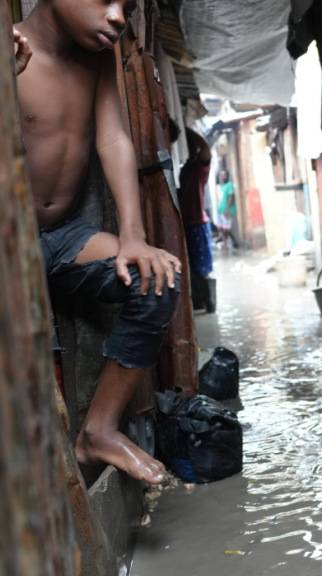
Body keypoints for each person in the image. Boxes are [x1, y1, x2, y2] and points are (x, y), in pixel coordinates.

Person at [14, 0, 178, 485]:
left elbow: (113, 139)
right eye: (107, 0)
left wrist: (133, 236)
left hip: (62, 240)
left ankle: (99, 431)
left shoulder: (97, 59)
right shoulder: (10, 49)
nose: (118, 16)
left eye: (125, 6)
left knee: (156, 278)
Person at [178, 128, 215, 312]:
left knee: (200, 266)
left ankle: (207, 302)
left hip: (197, 223)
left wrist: (186, 129)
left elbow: (206, 150)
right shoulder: (185, 170)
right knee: (192, 265)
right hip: (187, 222)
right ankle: (201, 301)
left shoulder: (199, 168)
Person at [215, 168, 239, 250]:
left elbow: (231, 197)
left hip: (227, 211)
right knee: (221, 228)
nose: (222, 177)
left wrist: (227, 210)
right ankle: (226, 243)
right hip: (221, 211)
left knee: (226, 229)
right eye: (221, 175)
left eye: (224, 175)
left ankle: (234, 241)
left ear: (227, 176)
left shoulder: (229, 185)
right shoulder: (222, 186)